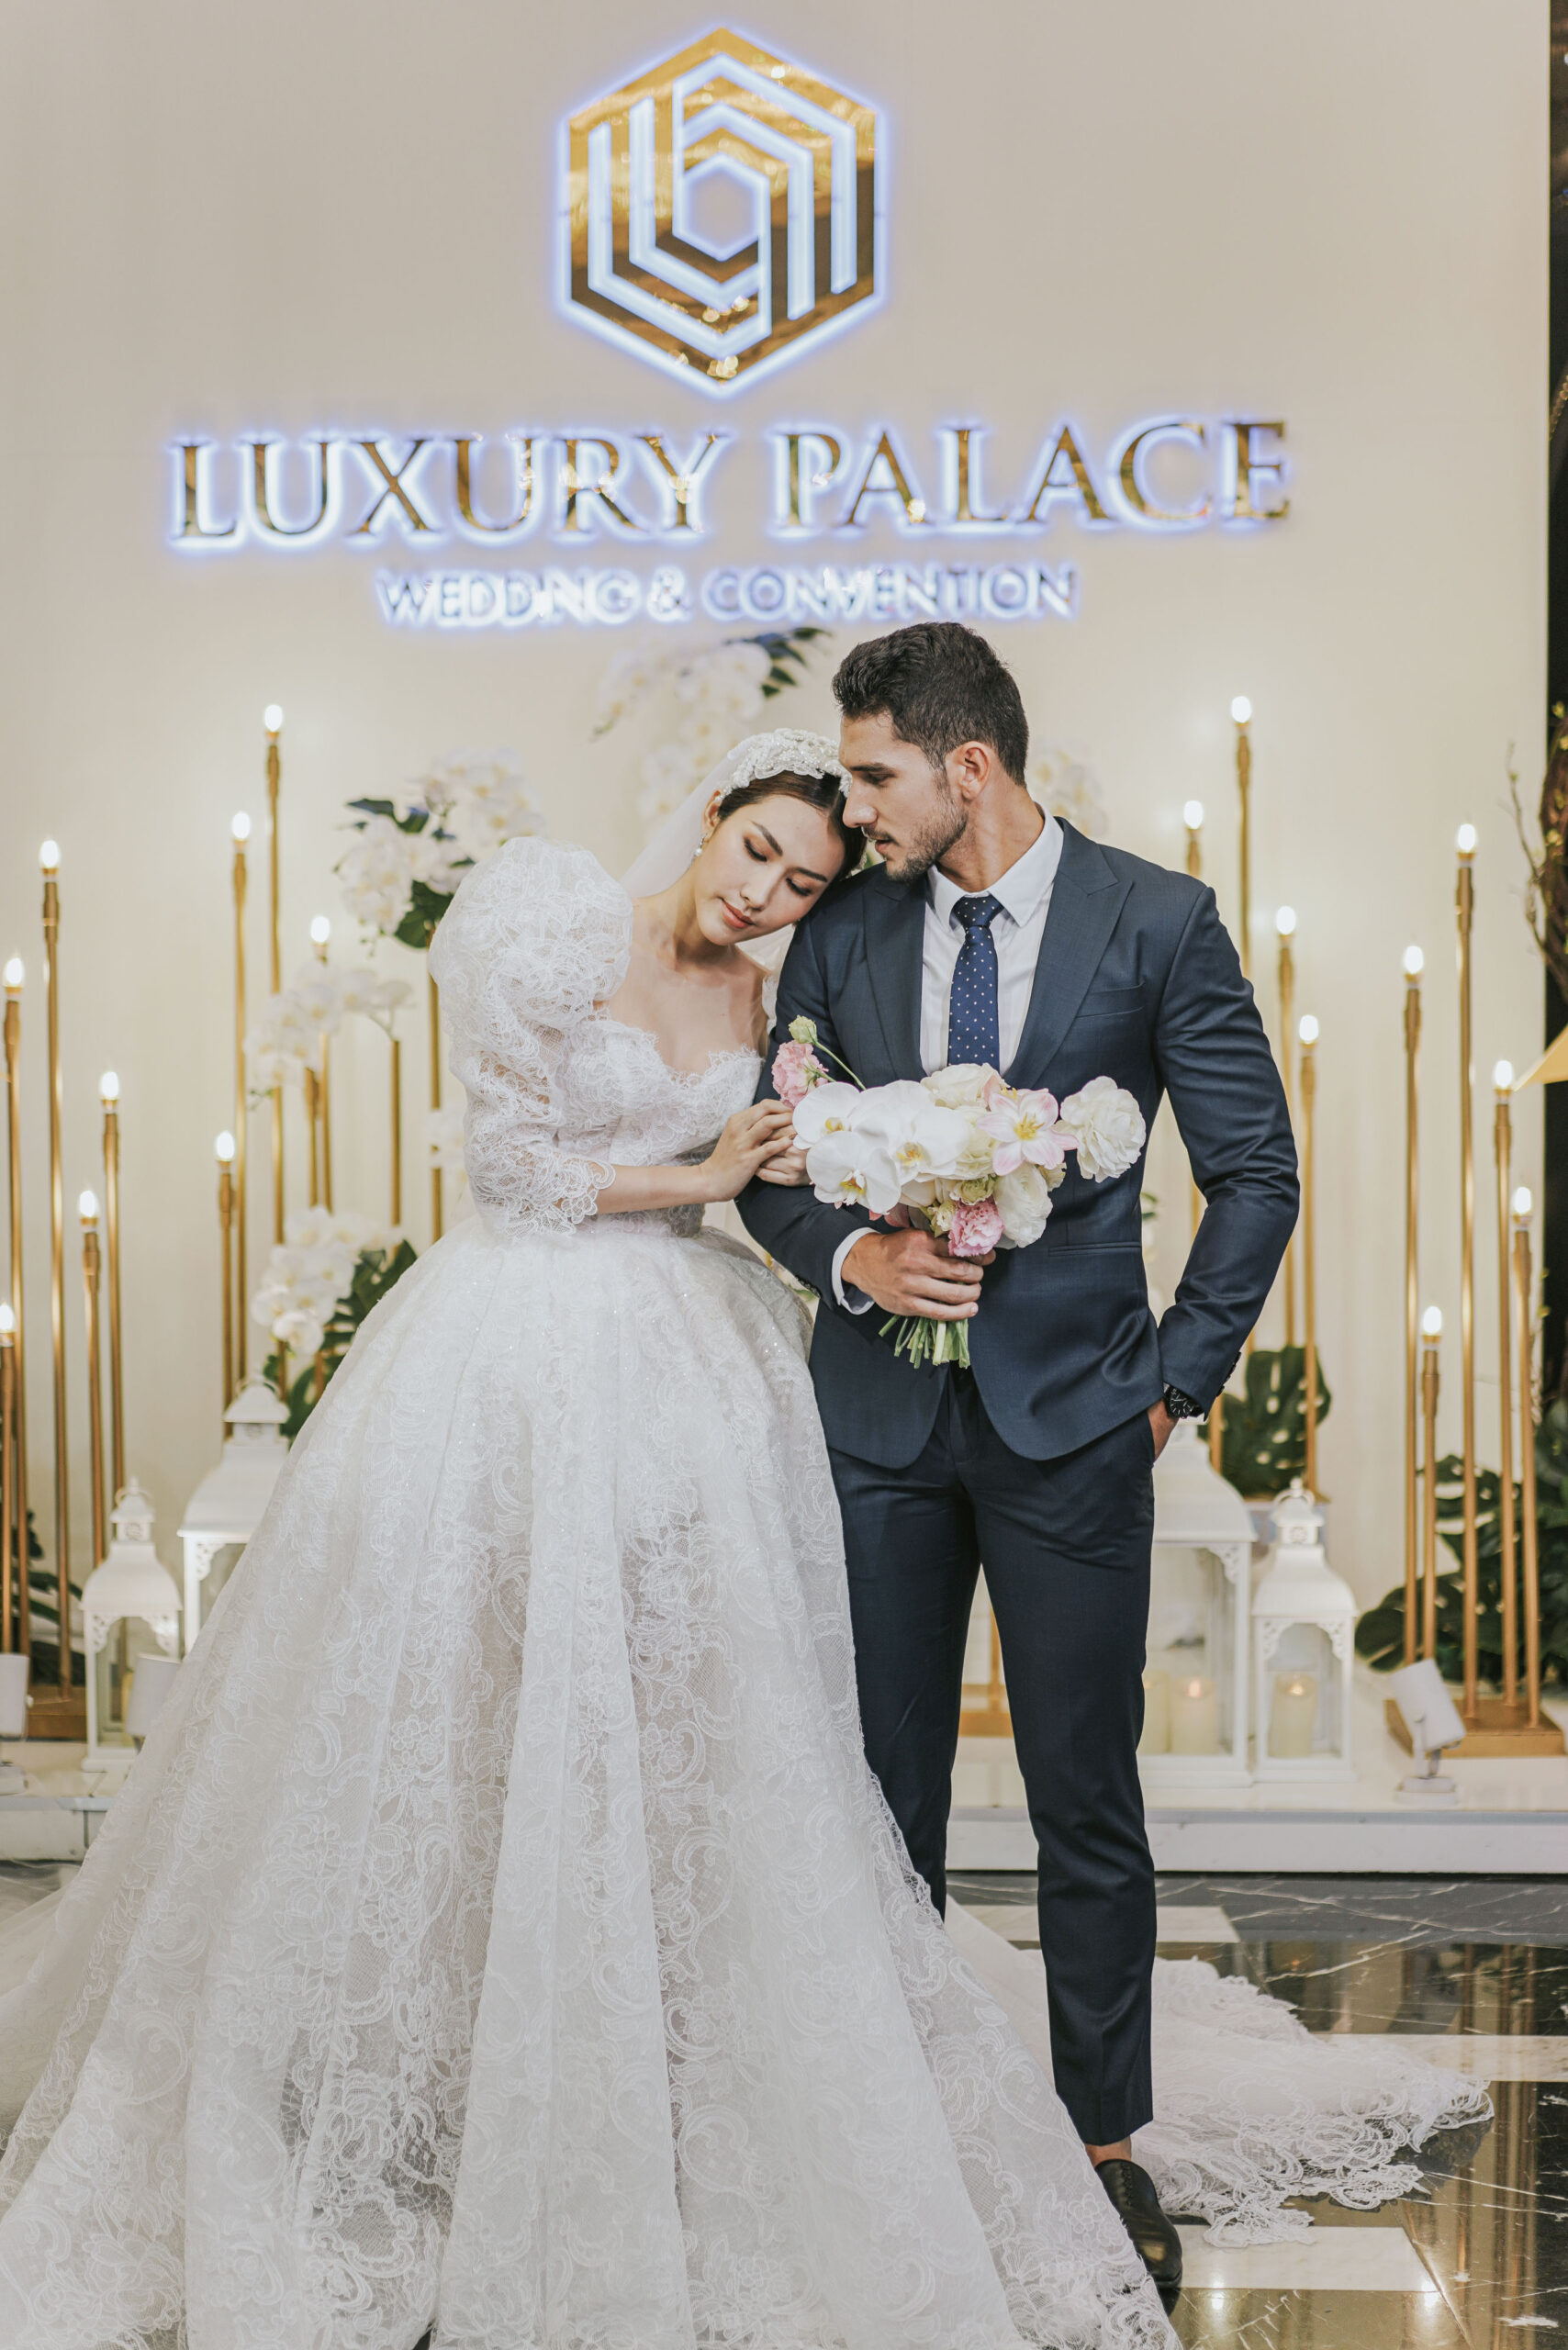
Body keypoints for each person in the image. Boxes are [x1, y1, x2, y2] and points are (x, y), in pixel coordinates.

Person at [0, 724, 1483, 2350]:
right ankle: (438, 2056)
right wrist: (703, 1172)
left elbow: (813, 1168)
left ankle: (715, 2056)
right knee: (470, 1711)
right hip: (514, 1356)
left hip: (704, 1373)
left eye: (802, 877)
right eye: (759, 849)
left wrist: (903, 1212)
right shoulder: (553, 920)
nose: (767, 890)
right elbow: (509, 1168)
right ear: (710, 815)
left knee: (702, 1727)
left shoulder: (788, 1003)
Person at [739, 622, 1297, 2277]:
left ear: (965, 765)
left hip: (1078, 1430)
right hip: (878, 1429)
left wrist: (1169, 1387)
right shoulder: (840, 929)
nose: (853, 811)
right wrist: (855, 1255)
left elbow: (1255, 1172)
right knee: (875, 1795)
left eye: (873, 777)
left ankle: (1103, 2148)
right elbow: (771, 1162)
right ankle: (890, 2134)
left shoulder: (1158, 920)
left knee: (1085, 1801)